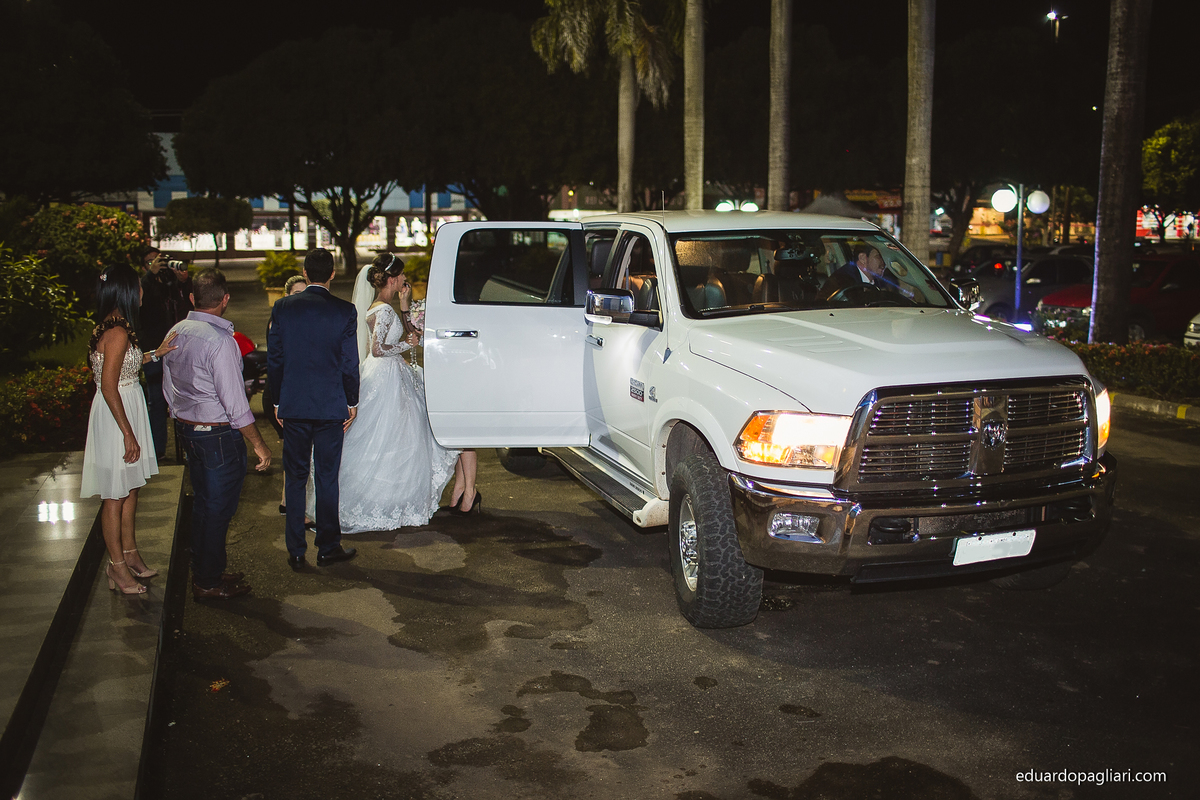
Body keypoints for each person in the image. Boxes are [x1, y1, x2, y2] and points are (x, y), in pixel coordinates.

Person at [321, 253, 476, 534]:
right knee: (389, 437)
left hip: (391, 374)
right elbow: (377, 349)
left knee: (397, 437)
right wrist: (407, 344)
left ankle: (397, 499)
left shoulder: (383, 307)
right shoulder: (382, 310)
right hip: (386, 376)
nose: (405, 279)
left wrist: (405, 311)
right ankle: (389, 501)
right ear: (392, 278)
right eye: (402, 275)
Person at [163, 268, 272, 600]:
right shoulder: (220, 342)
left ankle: (207, 570)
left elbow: (168, 386)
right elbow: (236, 403)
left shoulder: (177, 330)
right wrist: (260, 444)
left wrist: (181, 416)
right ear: (225, 300)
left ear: (193, 298)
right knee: (217, 510)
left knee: (205, 507)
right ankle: (207, 582)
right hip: (217, 437)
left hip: (189, 431)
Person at [81, 263, 178, 595]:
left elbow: (125, 366)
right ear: (125, 291)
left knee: (131, 488)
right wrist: (127, 432)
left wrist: (155, 354)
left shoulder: (116, 326)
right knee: (114, 494)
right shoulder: (118, 332)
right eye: (137, 287)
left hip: (126, 405)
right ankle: (117, 567)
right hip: (116, 413)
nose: (142, 292)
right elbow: (109, 386)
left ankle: (130, 553)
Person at [267, 248, 360, 570]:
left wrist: (277, 400)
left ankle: (295, 549)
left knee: (295, 477)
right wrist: (352, 401)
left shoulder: (282, 308)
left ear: (304, 274)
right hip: (330, 405)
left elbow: (275, 360)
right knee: (327, 477)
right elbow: (350, 363)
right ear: (332, 274)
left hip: (294, 403)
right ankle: (328, 546)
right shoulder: (344, 311)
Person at [269, 275, 314, 525]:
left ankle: (288, 501)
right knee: (298, 455)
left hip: (294, 394)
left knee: (296, 452)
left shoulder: (299, 320)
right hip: (284, 394)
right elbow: (278, 363)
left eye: (303, 293)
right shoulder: (280, 320)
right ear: (286, 296)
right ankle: (298, 510)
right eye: (296, 293)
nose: (300, 298)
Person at [139, 247, 191, 460]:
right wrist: (150, 276)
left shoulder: (172, 284)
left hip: (179, 349)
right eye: (151, 261)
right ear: (145, 267)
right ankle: (157, 450)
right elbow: (143, 309)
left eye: (159, 260)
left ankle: (189, 448)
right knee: (157, 402)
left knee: (185, 399)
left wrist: (184, 281)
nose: (157, 264)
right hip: (154, 350)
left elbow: (189, 305)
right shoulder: (145, 287)